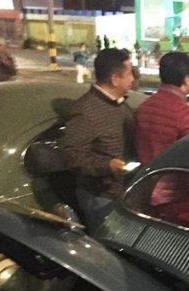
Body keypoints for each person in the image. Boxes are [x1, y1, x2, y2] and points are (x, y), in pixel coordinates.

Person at [60, 48, 136, 232]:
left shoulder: (120, 104)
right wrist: (107, 166)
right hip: (101, 197)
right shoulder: (86, 112)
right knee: (108, 245)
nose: (133, 79)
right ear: (115, 79)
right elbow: (71, 155)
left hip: (120, 193)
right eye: (129, 74)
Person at [134, 52, 189, 164]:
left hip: (144, 172)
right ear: (186, 79)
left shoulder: (143, 107)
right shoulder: (186, 115)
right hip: (171, 173)